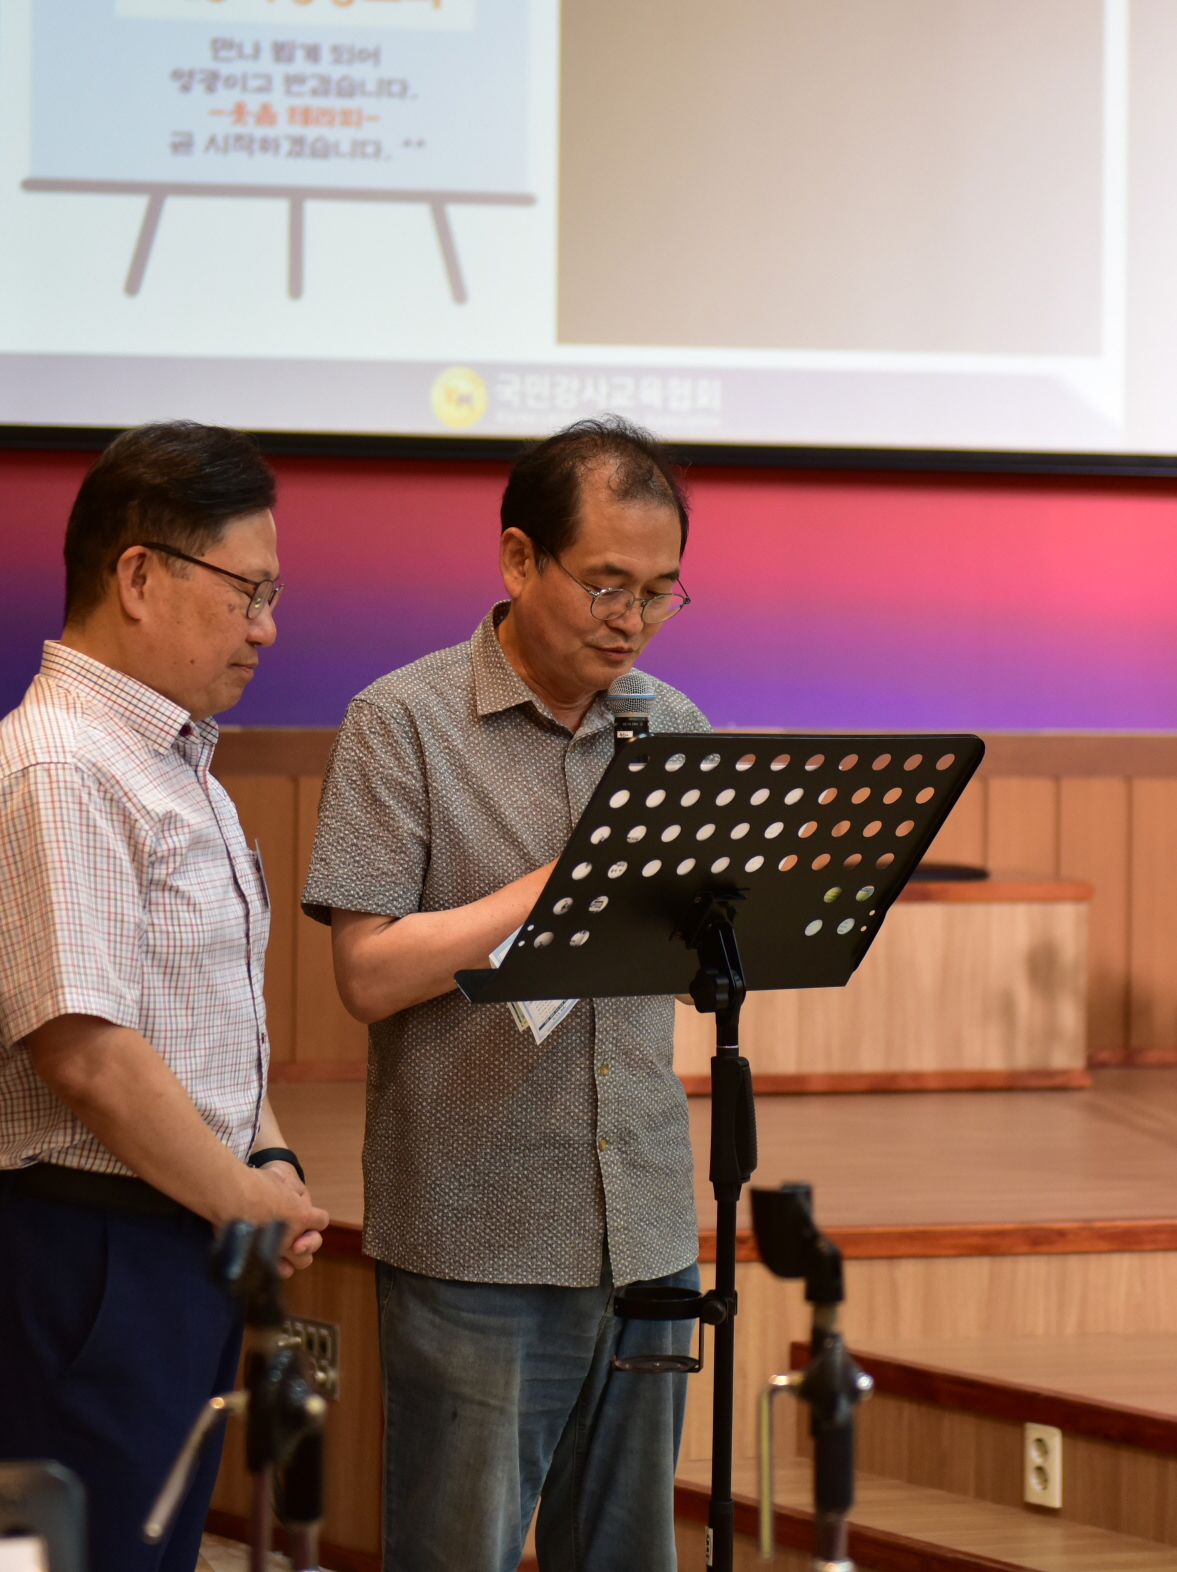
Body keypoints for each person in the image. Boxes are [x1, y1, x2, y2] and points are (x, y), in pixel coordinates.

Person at [302, 416, 706, 1572]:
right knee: (458, 1551)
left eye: (661, 592)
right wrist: (550, 889)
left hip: (643, 1218)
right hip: (477, 1227)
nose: (631, 619)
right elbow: (367, 972)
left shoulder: (672, 725)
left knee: (627, 1554)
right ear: (520, 558)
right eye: (606, 584)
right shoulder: (405, 722)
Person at [0, 421, 331, 1572]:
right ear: (140, 575)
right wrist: (247, 1201)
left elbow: (204, 1021)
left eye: (272, 594)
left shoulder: (168, 760)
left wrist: (268, 1157)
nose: (265, 626)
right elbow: (90, 1052)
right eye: (245, 591)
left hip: (165, 1239)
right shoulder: (59, 766)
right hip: (78, 1258)